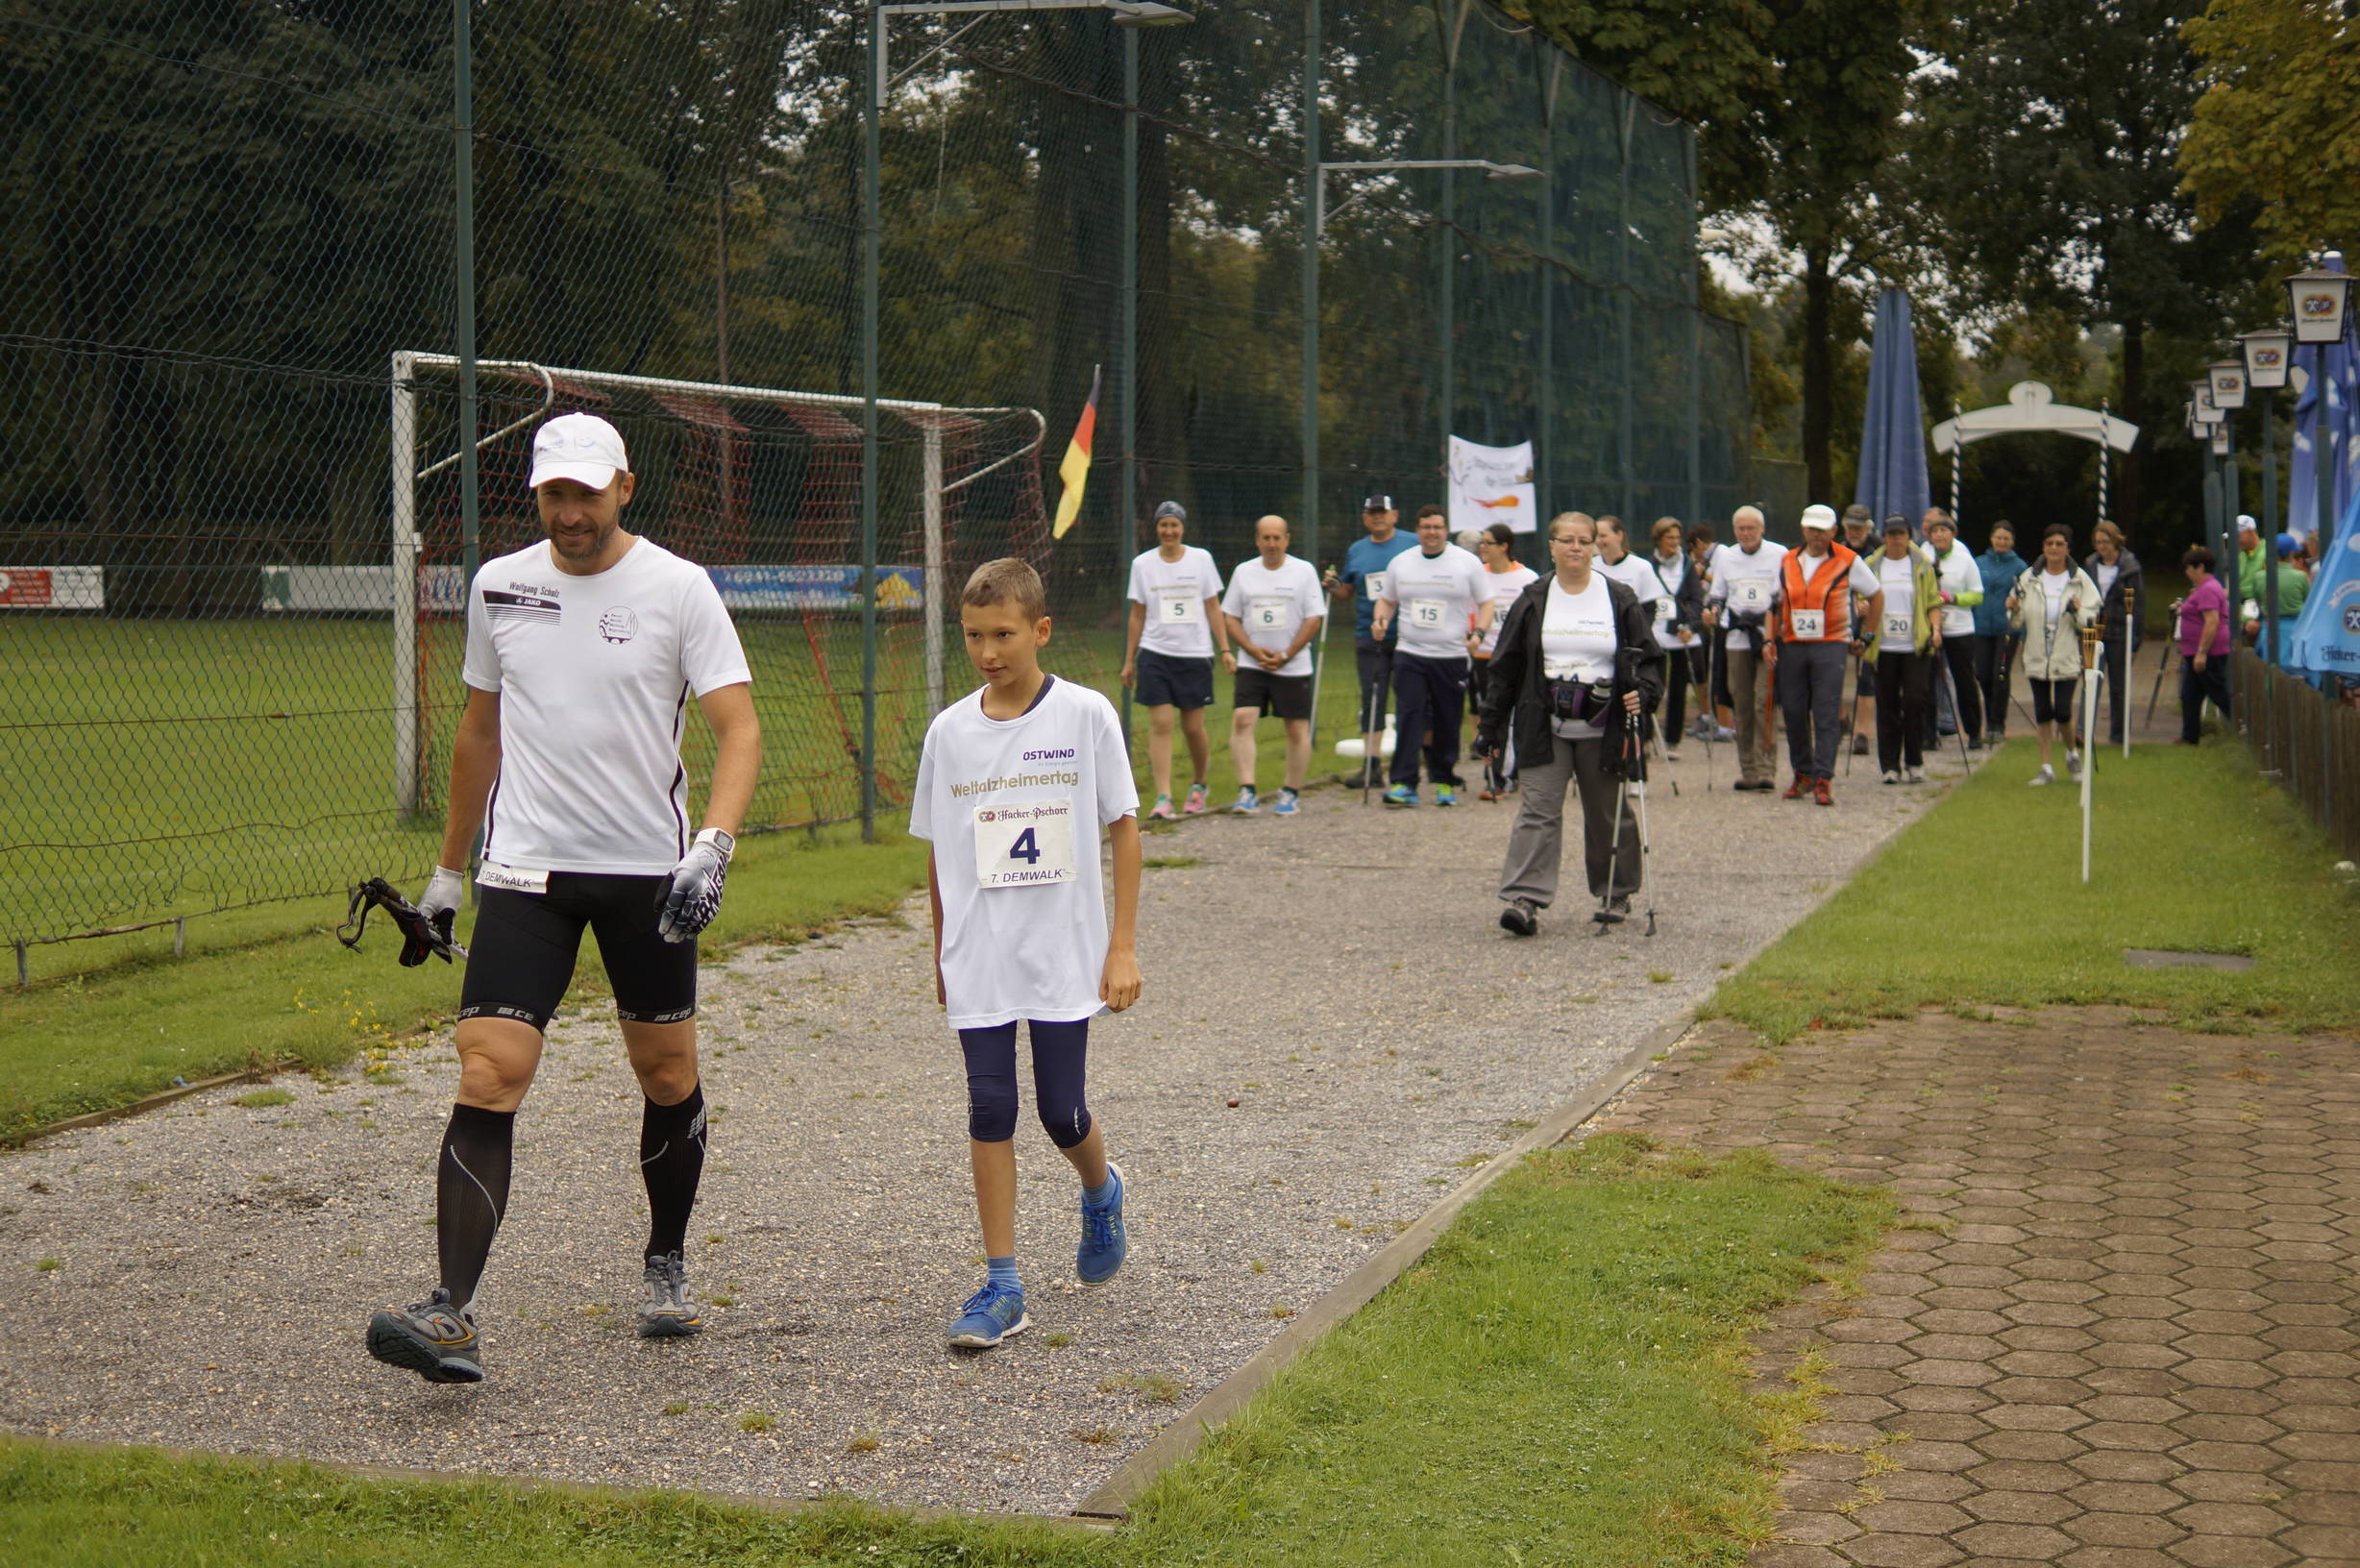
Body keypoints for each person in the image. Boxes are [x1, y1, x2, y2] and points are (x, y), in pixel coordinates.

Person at [366, 411, 762, 1384]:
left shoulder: (679, 587)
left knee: (666, 1075)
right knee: (489, 1070)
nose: (571, 512)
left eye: (587, 492)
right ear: (536, 494)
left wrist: (711, 849)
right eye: (554, 494)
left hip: (648, 877)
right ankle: (450, 1312)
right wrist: (448, 872)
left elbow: (740, 729)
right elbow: (478, 733)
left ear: (624, 486)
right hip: (524, 873)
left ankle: (665, 1260)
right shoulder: (499, 586)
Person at [912, 557, 1143, 1349]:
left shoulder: (1085, 716)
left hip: (1062, 952)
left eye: (1004, 635)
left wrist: (1121, 947)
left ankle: (1101, 1188)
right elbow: (940, 852)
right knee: (989, 1107)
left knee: (1059, 1111)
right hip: (980, 953)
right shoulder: (949, 733)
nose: (988, 652)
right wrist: (942, 951)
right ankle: (1003, 1285)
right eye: (974, 636)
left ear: (1041, 630)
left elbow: (1124, 830)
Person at [1477, 512, 1663, 935]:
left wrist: (1645, 693)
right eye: (1567, 540)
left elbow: (1650, 659)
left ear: (1595, 547)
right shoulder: (1533, 598)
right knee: (1537, 809)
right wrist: (1490, 726)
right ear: (1552, 547)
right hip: (1544, 722)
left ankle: (1616, 891)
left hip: (1604, 723)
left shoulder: (1619, 598)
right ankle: (1525, 899)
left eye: (1584, 540)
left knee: (1606, 811)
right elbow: (1505, 668)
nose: (1576, 547)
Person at [1372, 506, 1493, 807]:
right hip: (1410, 652)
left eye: (1438, 527)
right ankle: (1403, 782)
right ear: (1417, 530)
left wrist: (1478, 634)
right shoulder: (1401, 562)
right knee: (1409, 714)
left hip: (1451, 655)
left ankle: (1444, 780)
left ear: (1446, 530)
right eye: (1426, 527)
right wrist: (1380, 620)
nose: (1432, 533)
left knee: (1447, 718)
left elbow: (1486, 603)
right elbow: (1386, 601)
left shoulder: (1466, 563)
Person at [1120, 502, 1231, 820]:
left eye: (1174, 525)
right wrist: (1129, 660)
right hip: (1155, 652)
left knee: (1193, 727)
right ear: (1156, 528)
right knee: (1161, 723)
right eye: (1163, 525)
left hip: (1195, 654)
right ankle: (1163, 796)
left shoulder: (1201, 560)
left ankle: (1199, 784)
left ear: (1183, 528)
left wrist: (1225, 649)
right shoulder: (1143, 564)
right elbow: (1137, 614)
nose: (1169, 531)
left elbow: (1213, 606)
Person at [1773, 503, 1881, 805]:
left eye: (1822, 530)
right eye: (1811, 529)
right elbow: (1777, 600)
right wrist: (1771, 639)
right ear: (1803, 529)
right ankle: (1802, 772)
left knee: (1825, 710)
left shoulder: (1848, 559)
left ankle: (1823, 777)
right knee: (1793, 710)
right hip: (1794, 642)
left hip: (1831, 642)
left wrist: (1867, 636)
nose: (1816, 535)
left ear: (1833, 532)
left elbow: (1876, 594)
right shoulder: (1788, 560)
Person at [1221, 515, 1325, 816]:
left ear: (1287, 540)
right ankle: (1247, 790)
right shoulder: (1244, 572)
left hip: (1292, 665)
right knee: (1243, 718)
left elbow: (1314, 618)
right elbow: (1231, 617)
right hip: (1253, 663)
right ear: (1257, 541)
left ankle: (1291, 791)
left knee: (1296, 728)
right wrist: (1252, 650)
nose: (1271, 544)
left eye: (1277, 538)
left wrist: (1287, 654)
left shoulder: (1304, 571)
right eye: (1265, 538)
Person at [1327, 497, 1419, 794]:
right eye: (1372, 514)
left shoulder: (1412, 543)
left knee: (1410, 699)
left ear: (1395, 515)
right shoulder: (1357, 550)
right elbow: (1346, 592)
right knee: (1372, 697)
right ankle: (1371, 764)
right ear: (1365, 518)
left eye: (1382, 513)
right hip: (1370, 635)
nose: (1377, 518)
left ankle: (1408, 762)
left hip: (1409, 634)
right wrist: (1333, 585)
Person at [1701, 506, 1787, 791]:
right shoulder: (1726, 557)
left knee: (1764, 700)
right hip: (1737, 636)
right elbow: (1717, 595)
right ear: (1734, 530)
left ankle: (1766, 768)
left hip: (1766, 635)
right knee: (1743, 702)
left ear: (1762, 529)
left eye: (1751, 528)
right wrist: (1712, 612)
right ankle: (1748, 769)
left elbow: (1784, 595)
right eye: (1741, 529)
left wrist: (1775, 630)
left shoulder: (1779, 554)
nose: (1746, 534)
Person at [2005, 525, 2100, 785]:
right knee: (2043, 711)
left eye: (2059, 544)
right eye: (2050, 544)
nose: (2054, 549)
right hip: (2036, 654)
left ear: (2067, 548)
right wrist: (2013, 607)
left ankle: (2071, 754)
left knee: (2063, 711)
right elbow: (2015, 620)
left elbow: (2091, 618)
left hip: (2066, 655)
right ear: (2043, 547)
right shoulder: (2029, 577)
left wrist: (2079, 610)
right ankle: (2046, 766)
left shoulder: (2079, 579)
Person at [1470, 521, 1539, 798]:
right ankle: (1495, 774)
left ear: (1504, 546)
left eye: (1487, 543)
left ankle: (1507, 775)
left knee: (1511, 717)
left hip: (1513, 659)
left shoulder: (1526, 578)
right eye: (1481, 542)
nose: (1482, 547)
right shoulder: (1477, 575)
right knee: (1489, 715)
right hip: (1483, 655)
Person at [1869, 516, 1940, 784]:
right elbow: (1861, 596)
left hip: (1914, 644)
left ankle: (1914, 760)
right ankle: (1890, 765)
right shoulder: (1872, 564)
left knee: (1915, 701)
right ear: (1884, 537)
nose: (1896, 539)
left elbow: (1933, 601)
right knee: (1887, 704)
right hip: (1883, 645)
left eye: (1900, 534)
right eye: (1891, 534)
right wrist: (1861, 607)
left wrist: (1935, 629)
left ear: (1909, 536)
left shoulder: (1922, 564)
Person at [1922, 509, 1985, 750]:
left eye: (1944, 531)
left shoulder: (1963, 558)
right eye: (1935, 531)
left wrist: (1953, 598)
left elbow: (1977, 595)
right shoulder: (1923, 555)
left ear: (1952, 534)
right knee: (1927, 681)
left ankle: (1973, 731)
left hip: (1959, 628)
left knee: (1964, 680)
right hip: (1930, 627)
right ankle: (1928, 734)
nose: (1939, 535)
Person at [1645, 516, 1704, 757]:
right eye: (1670, 538)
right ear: (1658, 539)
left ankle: (1672, 741)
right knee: (1654, 686)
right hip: (1657, 633)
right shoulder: (1648, 566)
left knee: (1679, 688)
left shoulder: (1687, 565)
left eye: (1678, 538)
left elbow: (1696, 598)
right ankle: (1647, 737)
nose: (1674, 542)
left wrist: (1691, 625)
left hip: (1681, 634)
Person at [2083, 520, 2142, 747]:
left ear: (2115, 541)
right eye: (2098, 542)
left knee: (2119, 687)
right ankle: (2083, 731)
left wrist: (2135, 641)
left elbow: (2139, 605)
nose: (2102, 547)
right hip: (2095, 630)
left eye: (2106, 542)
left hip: (2119, 631)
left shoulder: (2130, 566)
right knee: (2091, 681)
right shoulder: (2090, 564)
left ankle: (2119, 735)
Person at [1973, 521, 2028, 740]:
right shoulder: (1979, 563)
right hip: (1981, 628)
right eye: (1998, 537)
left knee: (2000, 675)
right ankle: (1989, 719)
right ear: (1991, 539)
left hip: (2007, 630)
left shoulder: (2020, 567)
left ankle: (1997, 724)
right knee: (1983, 675)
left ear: (2012, 542)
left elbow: (2026, 599)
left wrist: (2022, 630)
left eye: (2006, 538)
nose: (2001, 542)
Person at [2175, 545, 2232, 746]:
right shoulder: (2205, 589)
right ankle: (2189, 736)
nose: (2187, 573)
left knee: (2217, 691)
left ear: (2200, 567)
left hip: (2209, 652)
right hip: (2196, 651)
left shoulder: (2208, 589)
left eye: (2189, 568)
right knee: (2190, 694)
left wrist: (2202, 652)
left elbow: (2212, 621)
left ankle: (2242, 723)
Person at [2243, 528, 2311, 647]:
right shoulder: (2301, 576)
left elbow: (2257, 602)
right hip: (2294, 629)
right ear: (2291, 554)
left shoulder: (2259, 577)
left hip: (2268, 629)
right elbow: (2309, 603)